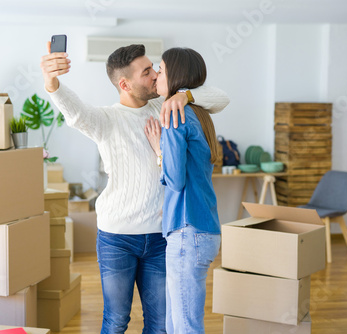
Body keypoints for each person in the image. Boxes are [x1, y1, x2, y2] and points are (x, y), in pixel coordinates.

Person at [41, 43, 229, 333]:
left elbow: (220, 98)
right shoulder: (105, 120)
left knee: (160, 323)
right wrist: (52, 82)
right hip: (118, 237)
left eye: (155, 67)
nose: (155, 74)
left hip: (160, 235)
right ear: (125, 84)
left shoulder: (167, 105)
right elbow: (75, 113)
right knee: (116, 320)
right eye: (146, 72)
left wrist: (185, 95)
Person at [144, 47, 222, 334]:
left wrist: (159, 152)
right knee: (176, 323)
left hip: (187, 232)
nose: (156, 76)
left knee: (185, 326)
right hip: (203, 230)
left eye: (161, 70)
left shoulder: (174, 114)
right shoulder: (198, 113)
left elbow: (175, 180)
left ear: (175, 75)